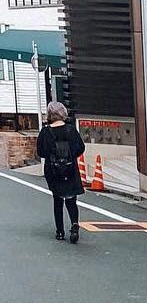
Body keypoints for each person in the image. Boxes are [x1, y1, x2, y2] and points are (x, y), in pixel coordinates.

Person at [36, 102, 85, 243]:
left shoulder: (45, 132)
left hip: (53, 170)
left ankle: (60, 231)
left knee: (57, 199)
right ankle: (74, 225)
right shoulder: (71, 130)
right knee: (71, 199)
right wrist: (70, 156)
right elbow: (80, 148)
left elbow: (41, 152)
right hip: (70, 169)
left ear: (50, 115)